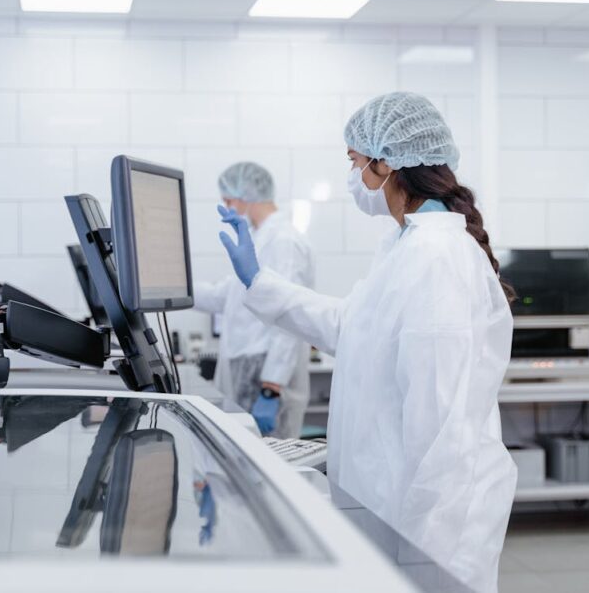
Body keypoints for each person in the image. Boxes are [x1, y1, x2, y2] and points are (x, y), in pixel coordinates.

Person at [215, 92, 517, 593]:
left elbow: (443, 439)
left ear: (388, 164)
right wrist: (258, 283)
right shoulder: (405, 246)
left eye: (355, 162)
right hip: (387, 512)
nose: (352, 177)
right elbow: (351, 326)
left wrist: (427, 566)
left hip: (431, 533)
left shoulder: (437, 258)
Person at [193, 161, 314, 439]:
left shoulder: (283, 241)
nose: (227, 207)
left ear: (247, 195)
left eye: (229, 199)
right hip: (250, 371)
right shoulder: (260, 239)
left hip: (267, 379)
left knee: (271, 471)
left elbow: (287, 316)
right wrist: (175, 289)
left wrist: (271, 388)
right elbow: (226, 295)